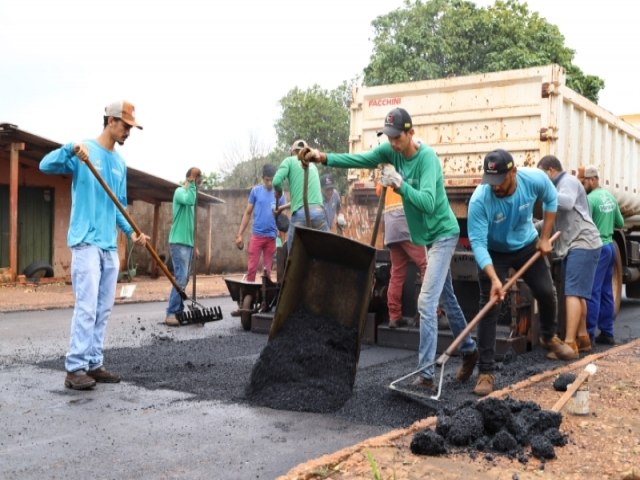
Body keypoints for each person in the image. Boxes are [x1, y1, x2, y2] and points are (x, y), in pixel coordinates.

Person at [300, 108, 477, 390]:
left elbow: (429, 203)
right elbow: (360, 159)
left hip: (443, 233)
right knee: (448, 298)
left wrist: (400, 183)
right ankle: (469, 349)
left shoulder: (427, 159)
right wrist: (323, 157)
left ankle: (427, 376)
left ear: (410, 133)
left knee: (426, 302)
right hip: (427, 237)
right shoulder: (390, 151)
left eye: (398, 137)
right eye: (390, 137)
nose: (393, 143)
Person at [39, 100, 148, 390]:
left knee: (104, 308)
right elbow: (44, 165)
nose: (128, 132)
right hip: (86, 241)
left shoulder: (119, 164)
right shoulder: (83, 150)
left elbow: (119, 205)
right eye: (125, 126)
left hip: (108, 246)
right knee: (86, 307)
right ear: (110, 121)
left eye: (130, 128)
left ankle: (94, 363)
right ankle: (74, 369)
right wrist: (69, 148)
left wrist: (132, 232)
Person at [467, 149, 576, 396]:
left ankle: (549, 337)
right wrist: (495, 278)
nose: (494, 187)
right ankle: (485, 371)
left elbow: (550, 199)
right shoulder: (479, 200)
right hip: (494, 251)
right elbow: (478, 243)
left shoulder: (534, 178)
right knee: (490, 306)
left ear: (513, 172)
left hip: (527, 244)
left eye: (499, 181)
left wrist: (545, 237)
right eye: (490, 181)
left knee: (546, 292)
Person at [538, 155, 602, 357]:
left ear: (550, 171)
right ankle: (583, 339)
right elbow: (552, 219)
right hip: (581, 244)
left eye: (541, 176)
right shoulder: (559, 188)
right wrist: (530, 227)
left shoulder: (568, 182)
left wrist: (542, 192)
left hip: (582, 243)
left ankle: (569, 344)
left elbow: (565, 203)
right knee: (579, 294)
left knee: (572, 293)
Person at [581, 165, 624, 345]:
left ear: (592, 180)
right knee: (606, 291)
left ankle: (589, 334)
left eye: (584, 182)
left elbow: (584, 224)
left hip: (596, 248)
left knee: (593, 291)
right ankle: (607, 332)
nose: (583, 185)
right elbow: (620, 223)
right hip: (610, 248)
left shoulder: (590, 200)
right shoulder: (610, 197)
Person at [375, 182, 427, 328]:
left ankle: (394, 316)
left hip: (391, 225)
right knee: (426, 265)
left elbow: (379, 191)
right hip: (406, 220)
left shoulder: (387, 167)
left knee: (397, 271)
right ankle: (432, 312)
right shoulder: (410, 163)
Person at [273, 140, 329, 252]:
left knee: (292, 254)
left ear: (293, 152)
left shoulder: (289, 161)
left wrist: (278, 191)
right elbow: (306, 202)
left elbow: (276, 182)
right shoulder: (313, 165)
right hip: (319, 213)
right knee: (326, 250)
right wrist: (282, 208)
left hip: (300, 216)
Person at [164, 167, 202, 327]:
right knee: (180, 278)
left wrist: (195, 245)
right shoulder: (180, 192)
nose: (198, 185)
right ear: (190, 179)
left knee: (184, 278)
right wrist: (192, 183)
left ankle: (178, 312)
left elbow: (191, 224)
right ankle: (171, 313)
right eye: (196, 181)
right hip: (178, 242)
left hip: (188, 243)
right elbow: (189, 200)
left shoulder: (191, 195)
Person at [235, 164, 285, 281]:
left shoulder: (280, 195)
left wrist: (283, 243)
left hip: (271, 237)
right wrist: (240, 234)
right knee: (251, 269)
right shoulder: (256, 191)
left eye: (272, 180)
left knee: (267, 272)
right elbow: (247, 213)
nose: (269, 183)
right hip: (257, 236)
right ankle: (249, 294)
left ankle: (264, 297)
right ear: (263, 178)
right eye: (267, 180)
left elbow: (283, 219)